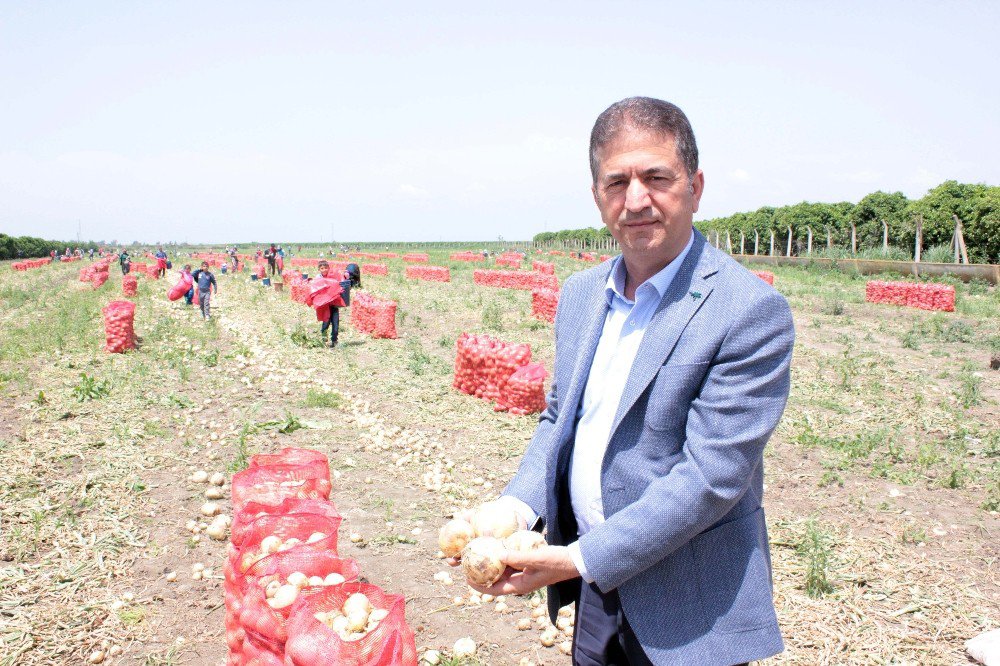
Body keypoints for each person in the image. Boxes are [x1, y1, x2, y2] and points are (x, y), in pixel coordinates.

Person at [461, 98, 794, 666]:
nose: (636, 199)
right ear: (597, 196)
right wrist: (514, 510)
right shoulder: (582, 296)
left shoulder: (748, 311)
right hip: (597, 592)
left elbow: (711, 478)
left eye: (656, 177)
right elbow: (559, 418)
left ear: (695, 185)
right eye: (617, 182)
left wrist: (577, 559)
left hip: (691, 606)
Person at [313, 260, 346, 347]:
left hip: (334, 304)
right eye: (322, 268)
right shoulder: (318, 279)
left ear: (329, 268)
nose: (324, 270)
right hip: (324, 306)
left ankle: (334, 341)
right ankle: (324, 340)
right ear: (319, 269)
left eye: (326, 268)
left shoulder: (333, 277)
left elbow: (340, 284)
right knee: (325, 324)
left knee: (335, 325)